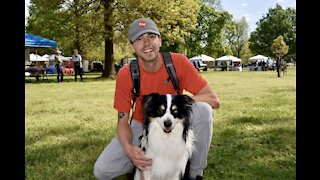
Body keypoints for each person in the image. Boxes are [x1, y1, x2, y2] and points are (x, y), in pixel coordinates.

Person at [93, 18, 220, 180]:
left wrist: (180, 103)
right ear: (132, 47)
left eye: (151, 36)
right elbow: (122, 121)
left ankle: (194, 174)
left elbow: (214, 99)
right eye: (139, 39)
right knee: (102, 170)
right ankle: (139, 162)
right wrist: (128, 149)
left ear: (160, 40)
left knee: (203, 110)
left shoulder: (178, 62)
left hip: (175, 118)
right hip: (142, 122)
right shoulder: (126, 73)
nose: (147, 43)